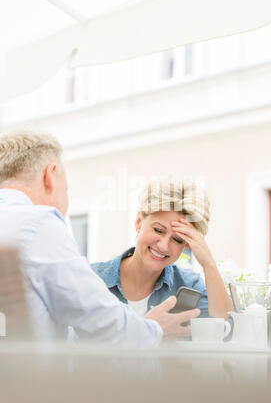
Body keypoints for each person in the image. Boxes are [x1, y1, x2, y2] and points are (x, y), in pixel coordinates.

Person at [0, 131, 200, 348]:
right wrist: (155, 329)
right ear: (50, 175)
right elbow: (101, 320)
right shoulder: (38, 223)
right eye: (66, 189)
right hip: (39, 379)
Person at [91, 177, 233, 319]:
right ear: (139, 221)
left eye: (177, 239)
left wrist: (208, 264)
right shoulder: (91, 279)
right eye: (158, 230)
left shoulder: (188, 286)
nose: (163, 246)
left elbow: (226, 327)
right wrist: (150, 330)